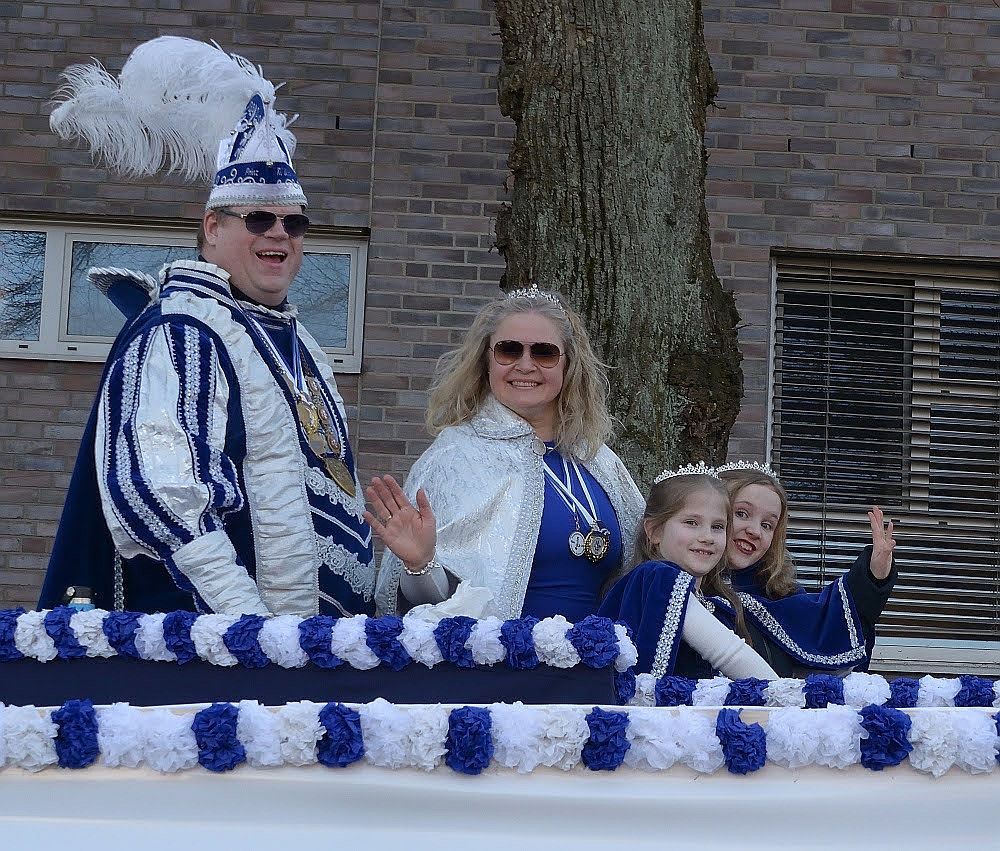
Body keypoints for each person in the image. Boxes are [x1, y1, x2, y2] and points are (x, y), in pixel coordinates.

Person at [38, 37, 374, 617]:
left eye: (295, 223)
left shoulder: (299, 343)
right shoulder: (181, 332)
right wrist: (249, 628)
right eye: (259, 218)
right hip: (214, 648)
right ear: (213, 227)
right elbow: (160, 498)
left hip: (308, 649)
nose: (279, 233)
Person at [369, 286, 644, 621]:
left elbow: (643, 574)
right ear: (486, 361)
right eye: (509, 350)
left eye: (544, 353)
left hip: (596, 652)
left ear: (568, 365)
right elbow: (425, 609)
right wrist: (420, 564)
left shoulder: (599, 459)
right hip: (501, 653)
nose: (525, 365)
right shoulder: (453, 456)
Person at [713, 461, 897, 675]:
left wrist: (873, 576)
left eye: (767, 525)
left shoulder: (782, 596)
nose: (755, 531)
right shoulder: (686, 589)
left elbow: (829, 623)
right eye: (742, 514)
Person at [598, 464, 778, 679]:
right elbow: (730, 655)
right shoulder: (657, 578)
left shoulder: (716, 601)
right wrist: (785, 695)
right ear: (654, 531)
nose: (707, 537)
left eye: (717, 526)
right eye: (691, 522)